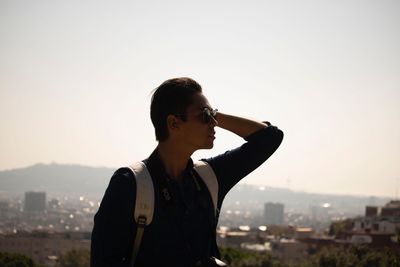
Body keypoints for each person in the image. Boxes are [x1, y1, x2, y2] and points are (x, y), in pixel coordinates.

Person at [90, 77, 284, 267]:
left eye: (212, 114)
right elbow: (103, 261)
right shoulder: (130, 184)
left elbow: (269, 138)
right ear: (174, 123)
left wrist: (214, 114)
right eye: (205, 115)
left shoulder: (208, 178)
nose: (213, 122)